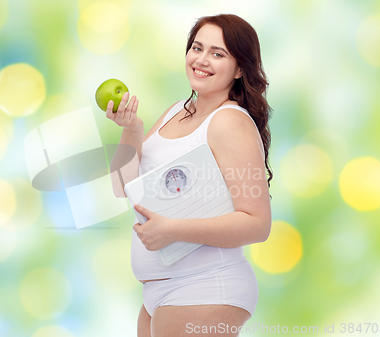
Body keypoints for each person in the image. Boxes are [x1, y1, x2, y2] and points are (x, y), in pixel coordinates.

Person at [107, 14, 273, 337]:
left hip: (206, 285)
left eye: (218, 53)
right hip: (158, 294)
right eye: (197, 48)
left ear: (240, 69)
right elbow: (121, 187)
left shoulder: (230, 122)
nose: (202, 59)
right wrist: (131, 130)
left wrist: (173, 230)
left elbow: (257, 223)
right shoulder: (174, 113)